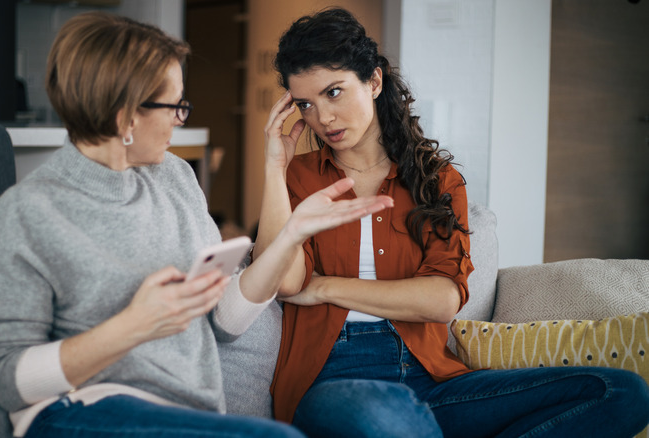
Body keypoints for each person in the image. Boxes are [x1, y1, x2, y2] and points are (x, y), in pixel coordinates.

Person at [0, 12, 393, 438]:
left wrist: (291, 235)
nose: (181, 118)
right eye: (174, 105)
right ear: (126, 116)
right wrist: (134, 326)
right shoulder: (30, 209)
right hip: (79, 410)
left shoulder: (175, 178)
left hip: (187, 413)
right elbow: (9, 379)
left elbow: (226, 323)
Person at [254, 7, 649, 438]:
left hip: (431, 380)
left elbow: (442, 299)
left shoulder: (437, 179)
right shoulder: (299, 176)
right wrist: (275, 169)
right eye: (307, 104)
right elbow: (286, 282)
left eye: (334, 92)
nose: (322, 117)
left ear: (373, 81)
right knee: (377, 419)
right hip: (334, 382)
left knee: (620, 390)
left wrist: (326, 287)